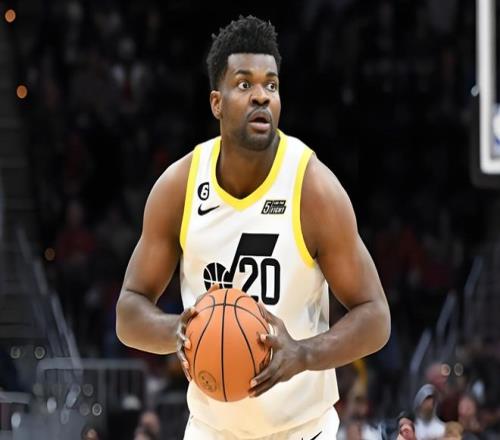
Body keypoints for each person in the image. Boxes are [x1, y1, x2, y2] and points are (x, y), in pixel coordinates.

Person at [116, 15, 390, 439]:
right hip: (210, 430)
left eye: (271, 85)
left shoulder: (313, 188)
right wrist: (179, 332)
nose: (261, 96)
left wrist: (303, 353)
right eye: (244, 84)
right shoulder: (180, 188)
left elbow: (375, 316)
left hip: (304, 430)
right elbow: (129, 311)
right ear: (217, 103)